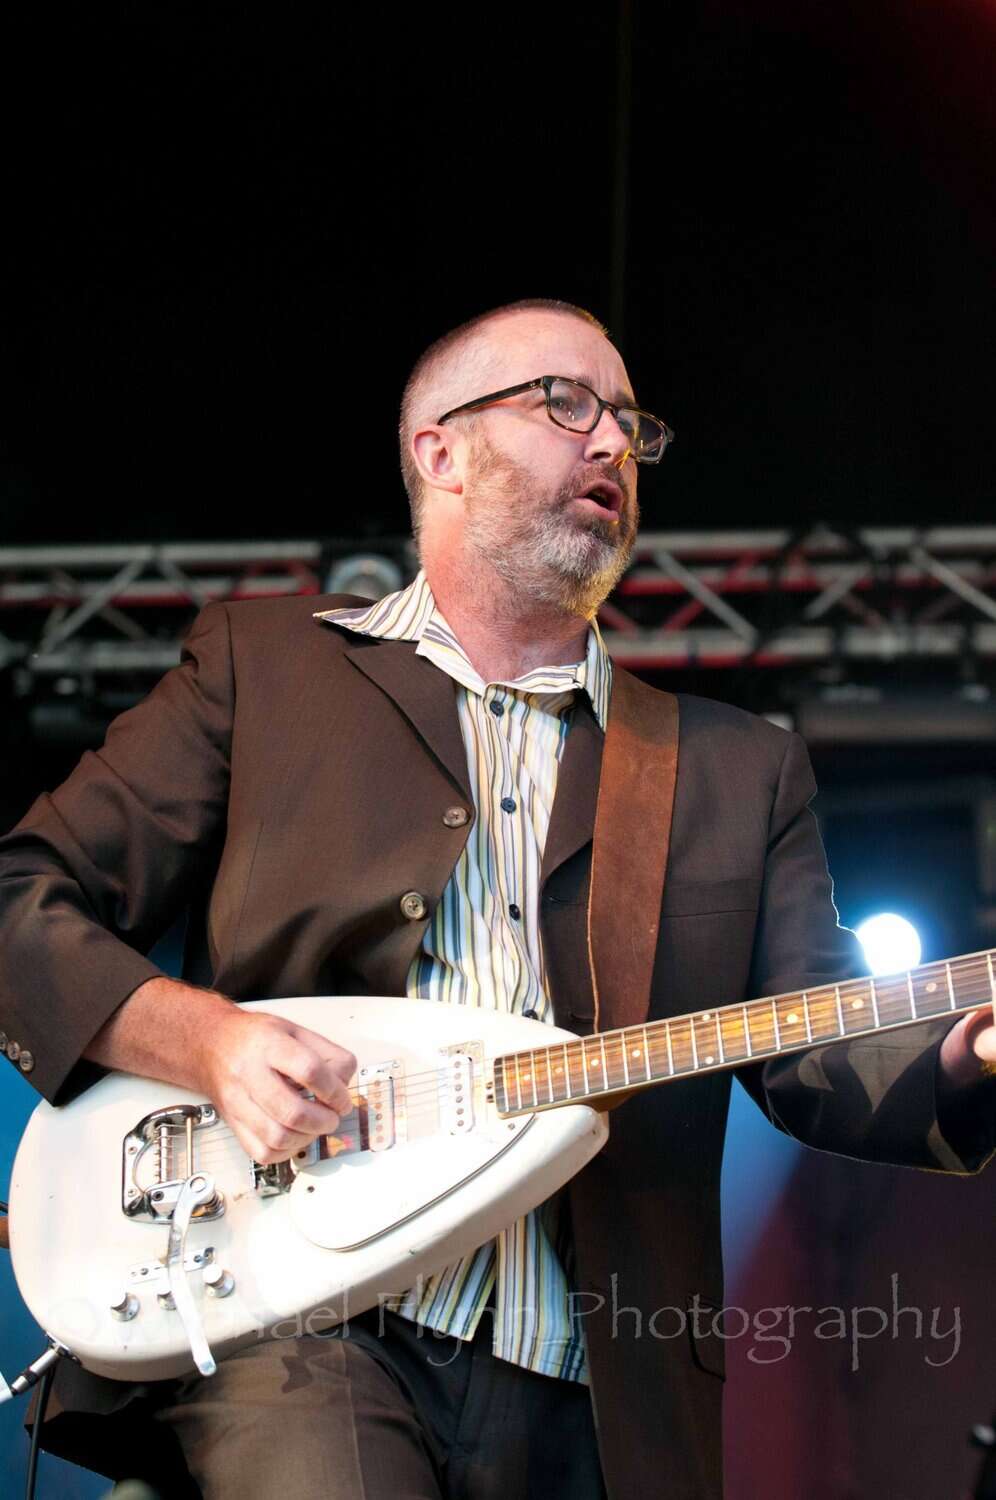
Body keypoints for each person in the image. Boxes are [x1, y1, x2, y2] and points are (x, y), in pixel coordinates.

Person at [1, 297, 993, 1500]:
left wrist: (966, 1054)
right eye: (566, 403)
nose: (614, 442)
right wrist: (206, 1040)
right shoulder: (266, 671)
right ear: (442, 452)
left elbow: (820, 1048)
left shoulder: (736, 769)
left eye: (630, 423)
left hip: (602, 1385)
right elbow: (20, 900)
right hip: (304, 1333)